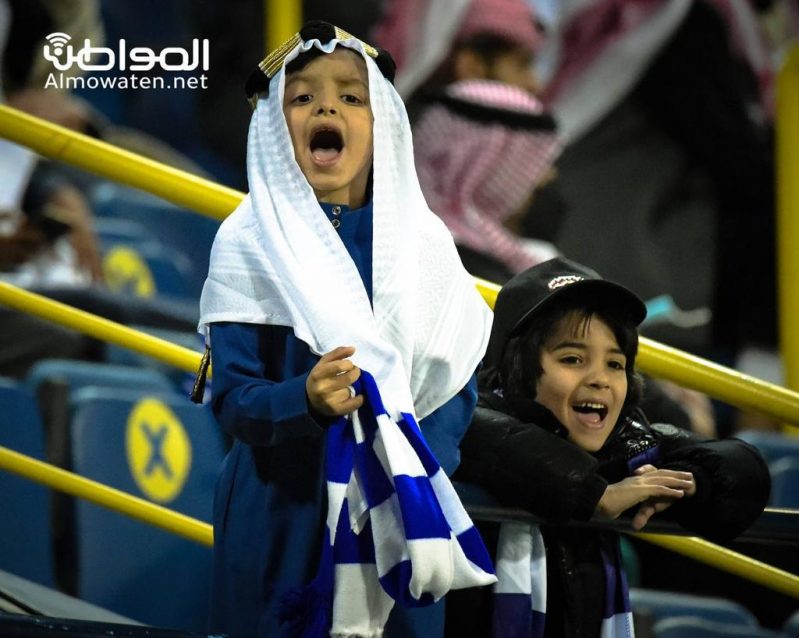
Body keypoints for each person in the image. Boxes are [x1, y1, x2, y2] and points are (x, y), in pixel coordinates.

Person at [197, 21, 495, 638]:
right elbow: (232, 399)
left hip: (405, 518)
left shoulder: (428, 247)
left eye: (351, 96)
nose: (326, 106)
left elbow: (452, 390)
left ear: (383, 124)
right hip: (281, 514)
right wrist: (302, 400)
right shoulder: (247, 240)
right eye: (302, 97)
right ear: (274, 132)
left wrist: (397, 474)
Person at [451, 257, 771, 637]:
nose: (600, 380)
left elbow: (744, 471)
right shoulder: (462, 425)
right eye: (572, 359)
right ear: (515, 365)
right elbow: (491, 437)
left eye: (616, 364)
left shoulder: (627, 441)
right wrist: (592, 492)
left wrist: (692, 482)